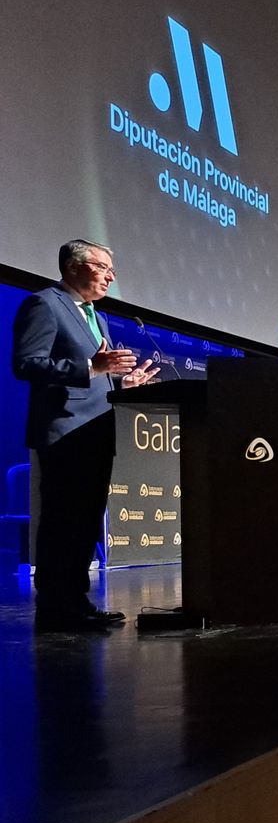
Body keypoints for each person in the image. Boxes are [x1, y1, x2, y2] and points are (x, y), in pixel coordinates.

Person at [11, 239, 156, 632]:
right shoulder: (45, 304)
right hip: (63, 431)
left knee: (86, 522)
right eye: (102, 266)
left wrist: (122, 383)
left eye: (112, 269)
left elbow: (95, 374)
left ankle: (77, 601)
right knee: (61, 521)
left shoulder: (97, 317)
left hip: (95, 432)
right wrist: (90, 368)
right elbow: (26, 364)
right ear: (73, 267)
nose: (110, 275)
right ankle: (56, 606)